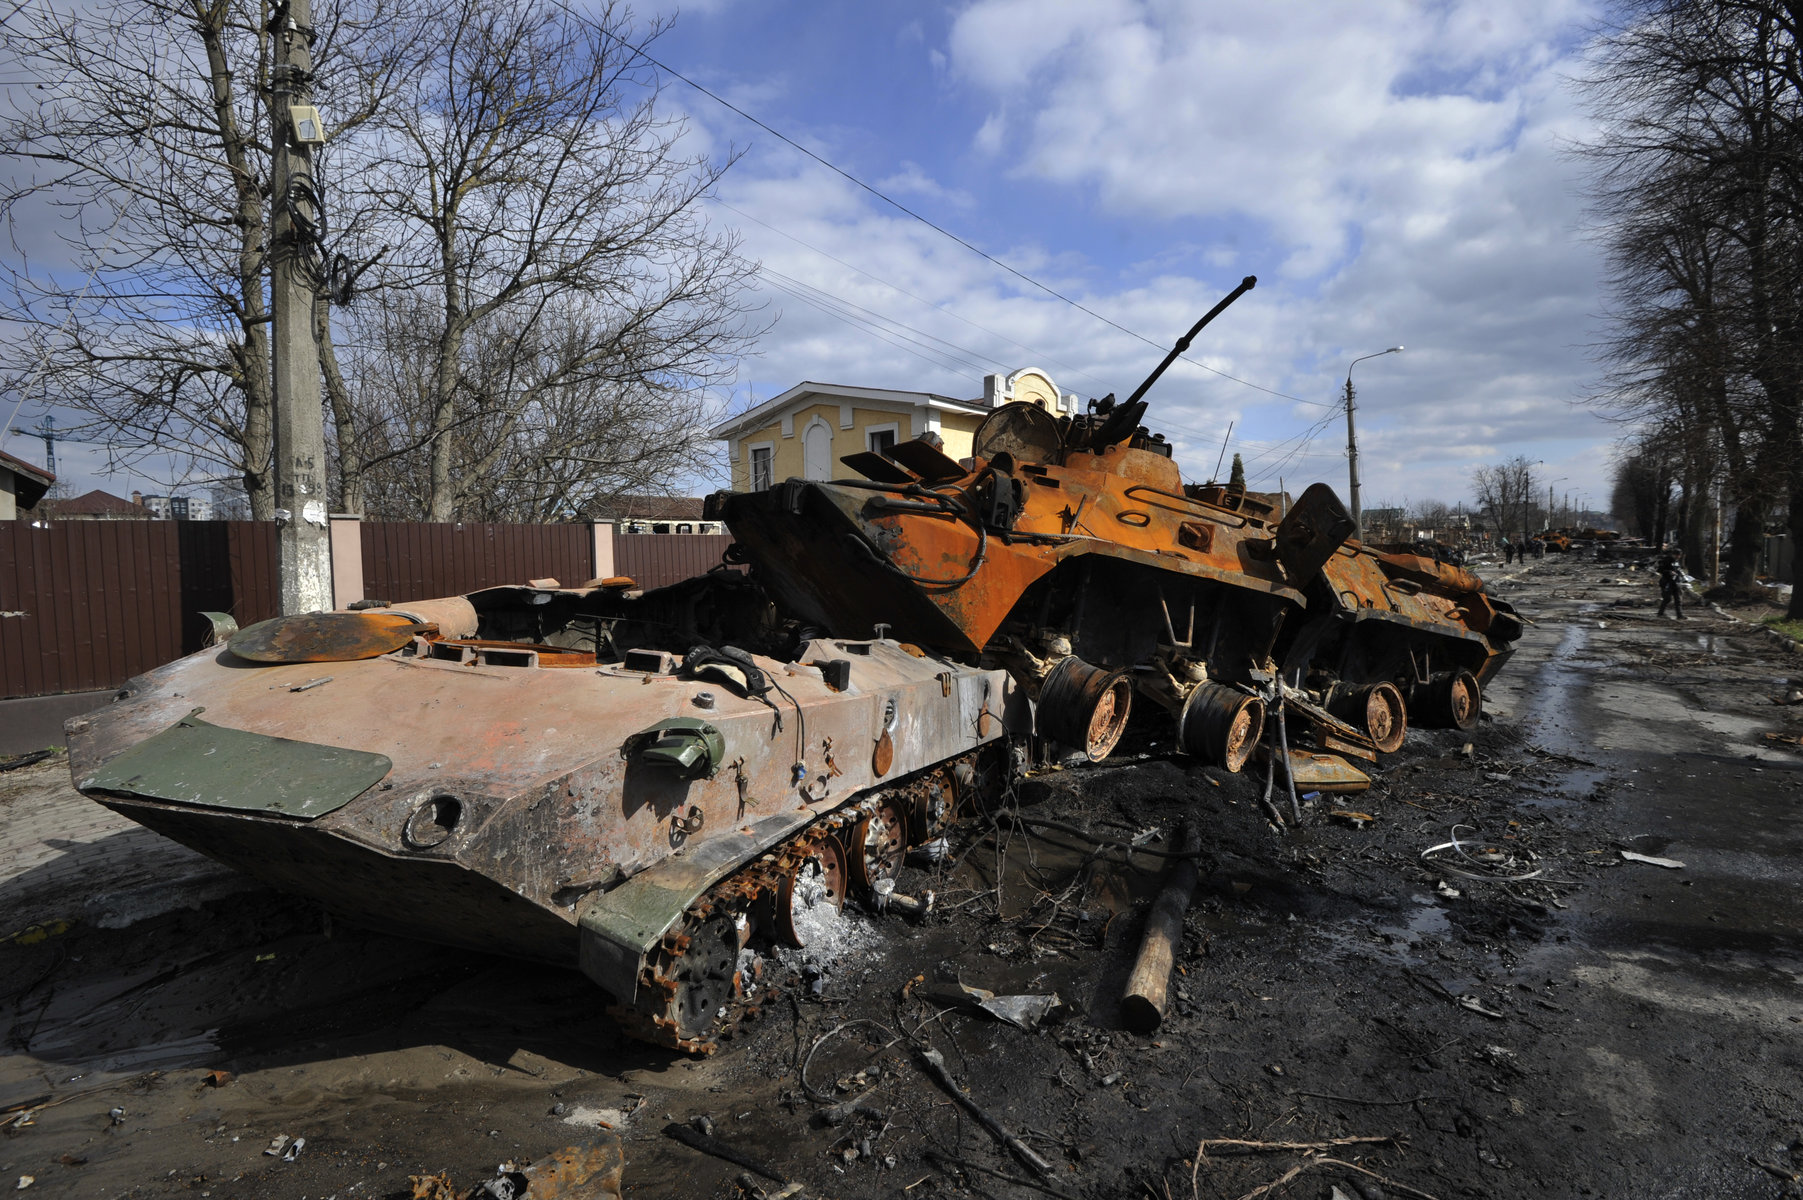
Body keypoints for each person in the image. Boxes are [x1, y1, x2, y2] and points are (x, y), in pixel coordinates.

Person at [1656, 553, 1686, 619]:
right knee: (1667, 598)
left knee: (1678, 599)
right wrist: (1669, 572)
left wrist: (1682, 575)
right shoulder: (1666, 560)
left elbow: (1678, 569)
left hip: (1676, 583)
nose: (1678, 557)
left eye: (1679, 555)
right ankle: (1660, 613)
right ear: (1673, 554)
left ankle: (1679, 615)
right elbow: (1659, 570)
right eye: (1677, 555)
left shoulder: (1677, 562)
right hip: (1667, 582)